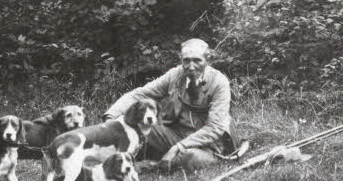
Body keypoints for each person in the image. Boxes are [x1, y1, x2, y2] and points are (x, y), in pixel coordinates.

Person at [103, 38, 248, 173]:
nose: (191, 67)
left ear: (207, 60)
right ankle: (109, 158)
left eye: (197, 60)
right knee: (133, 126)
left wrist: (177, 148)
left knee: (191, 157)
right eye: (187, 61)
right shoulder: (175, 75)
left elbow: (214, 128)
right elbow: (140, 95)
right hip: (175, 135)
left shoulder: (219, 82)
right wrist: (111, 116)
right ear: (181, 61)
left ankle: (151, 164)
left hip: (208, 144)